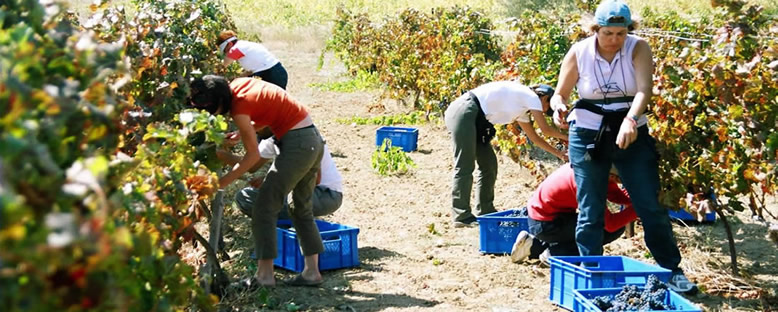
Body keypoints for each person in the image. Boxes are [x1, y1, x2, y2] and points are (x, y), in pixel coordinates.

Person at [549, 0, 697, 294]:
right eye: (608, 33)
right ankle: (591, 273)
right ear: (596, 29)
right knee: (591, 207)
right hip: (588, 132)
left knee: (649, 205)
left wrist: (631, 119)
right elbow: (559, 94)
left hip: (631, 130)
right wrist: (558, 107)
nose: (615, 40)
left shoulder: (638, 47)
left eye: (621, 33)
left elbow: (644, 89)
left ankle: (672, 270)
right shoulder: (579, 52)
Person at [189, 75, 324, 287]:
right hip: (311, 139)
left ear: (220, 101)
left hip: (297, 144)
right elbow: (269, 112)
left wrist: (220, 184)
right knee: (300, 208)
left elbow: (251, 159)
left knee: (263, 207)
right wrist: (244, 132)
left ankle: (264, 276)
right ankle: (311, 272)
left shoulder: (239, 107)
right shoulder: (239, 85)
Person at [444, 81, 567, 228]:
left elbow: (535, 138)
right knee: (465, 164)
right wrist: (571, 137)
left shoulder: (522, 108)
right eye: (547, 107)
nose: (545, 111)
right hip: (465, 111)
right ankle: (461, 215)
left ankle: (485, 211)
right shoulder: (531, 97)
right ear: (544, 97)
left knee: (489, 164)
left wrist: (559, 154)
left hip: (476, 118)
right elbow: (545, 130)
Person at [510, 164, 636, 264]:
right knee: (603, 229)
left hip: (544, 218)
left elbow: (615, 195)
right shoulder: (589, 184)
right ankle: (556, 254)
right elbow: (610, 224)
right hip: (547, 225)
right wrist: (642, 208)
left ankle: (533, 245)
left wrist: (642, 197)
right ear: (613, 176)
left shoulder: (592, 167)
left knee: (591, 226)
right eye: (620, 178)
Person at [231, 137, 344, 220]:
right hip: (310, 194)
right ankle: (287, 233)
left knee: (256, 200)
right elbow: (250, 165)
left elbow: (313, 180)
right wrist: (221, 154)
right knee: (246, 197)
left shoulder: (301, 137)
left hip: (326, 195)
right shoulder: (274, 136)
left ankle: (293, 234)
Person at [217, 30, 289, 89]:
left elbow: (224, 64)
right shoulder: (246, 45)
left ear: (229, 44)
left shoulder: (236, 48)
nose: (226, 53)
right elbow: (250, 72)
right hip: (278, 72)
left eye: (225, 51)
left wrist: (215, 72)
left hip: (269, 75)